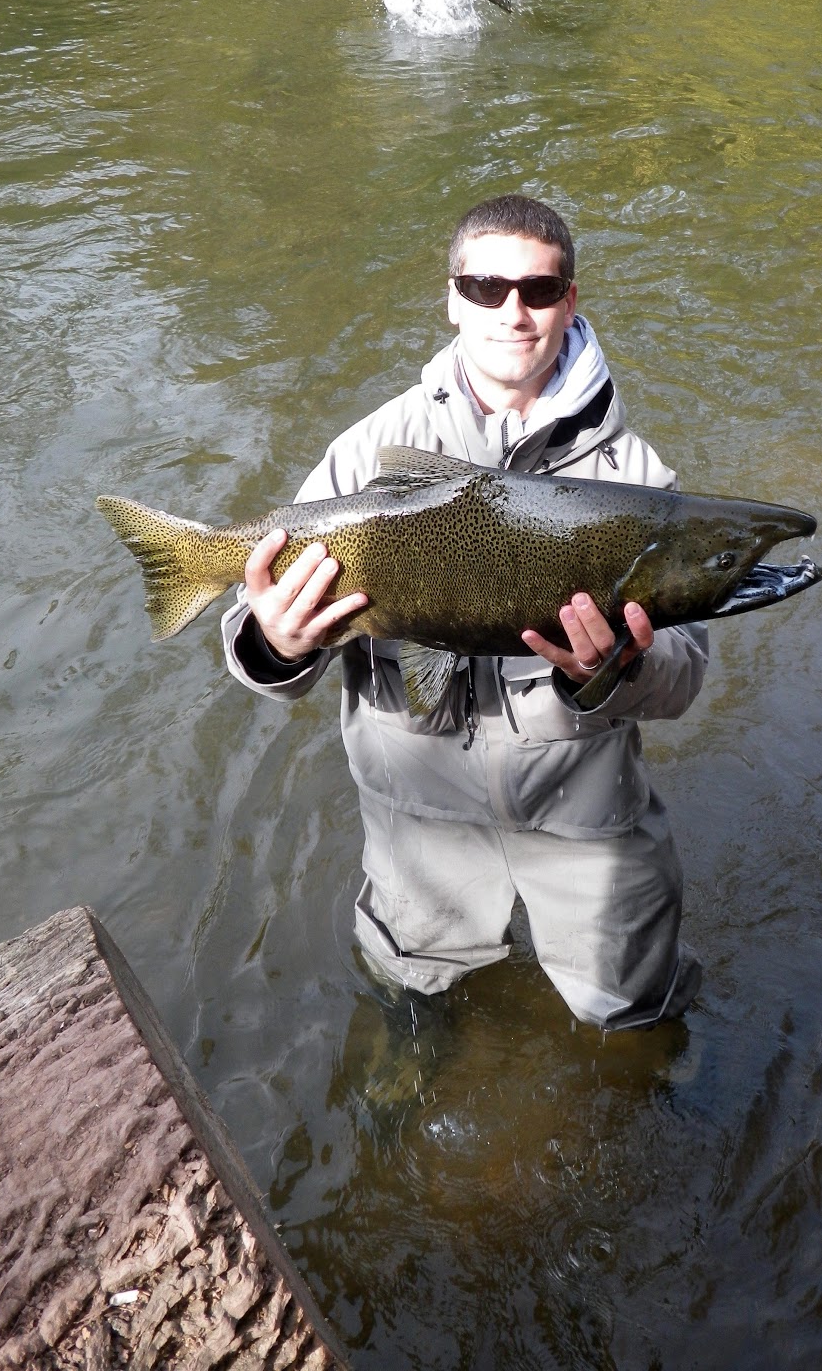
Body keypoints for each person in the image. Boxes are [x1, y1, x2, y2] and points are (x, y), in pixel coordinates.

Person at [223, 195, 708, 1030]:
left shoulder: (632, 477)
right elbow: (262, 638)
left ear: (571, 299)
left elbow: (684, 677)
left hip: (587, 822)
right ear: (451, 298)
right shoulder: (365, 451)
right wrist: (274, 643)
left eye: (538, 290)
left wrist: (615, 672)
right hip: (418, 825)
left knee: (639, 1015)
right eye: (486, 288)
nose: (512, 312)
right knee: (410, 1005)